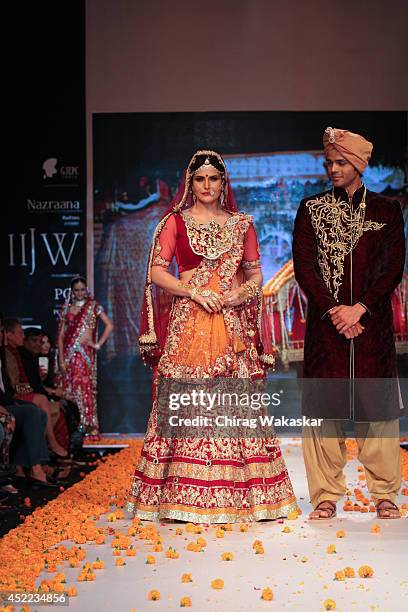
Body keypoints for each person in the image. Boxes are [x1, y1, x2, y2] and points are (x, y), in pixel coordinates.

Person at [126, 149, 297, 523]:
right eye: (200, 178)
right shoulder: (175, 222)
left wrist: (241, 293)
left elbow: (255, 275)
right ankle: (178, 497)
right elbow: (157, 272)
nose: (207, 185)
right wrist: (193, 292)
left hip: (231, 325)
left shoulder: (242, 224)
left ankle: (245, 497)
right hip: (190, 324)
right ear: (191, 182)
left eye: (213, 179)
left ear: (223, 183)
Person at [292, 127, 405, 520]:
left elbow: (392, 269)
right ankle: (324, 494)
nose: (333, 169)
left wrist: (360, 309)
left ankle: (385, 493)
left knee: (378, 410)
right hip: (327, 328)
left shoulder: (387, 211)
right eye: (329, 163)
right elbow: (305, 268)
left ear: (359, 164)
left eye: (341, 162)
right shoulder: (310, 209)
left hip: (370, 327)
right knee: (324, 408)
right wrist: (335, 312)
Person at [3, 318, 68, 460]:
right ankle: (46, 451)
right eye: (20, 333)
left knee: (51, 409)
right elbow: (15, 384)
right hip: (11, 399)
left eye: (43, 341)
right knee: (38, 407)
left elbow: (28, 383)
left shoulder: (18, 353)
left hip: (14, 397)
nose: (23, 336)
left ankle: (41, 463)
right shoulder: (10, 353)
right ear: (8, 334)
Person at [57, 276, 113, 437]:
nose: (80, 293)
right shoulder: (66, 308)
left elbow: (109, 325)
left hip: (85, 354)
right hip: (69, 354)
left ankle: (89, 425)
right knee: (71, 388)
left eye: (82, 289)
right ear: (72, 291)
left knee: (85, 387)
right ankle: (74, 427)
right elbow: (60, 336)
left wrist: (98, 344)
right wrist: (61, 358)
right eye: (76, 290)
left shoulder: (93, 307)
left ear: (86, 290)